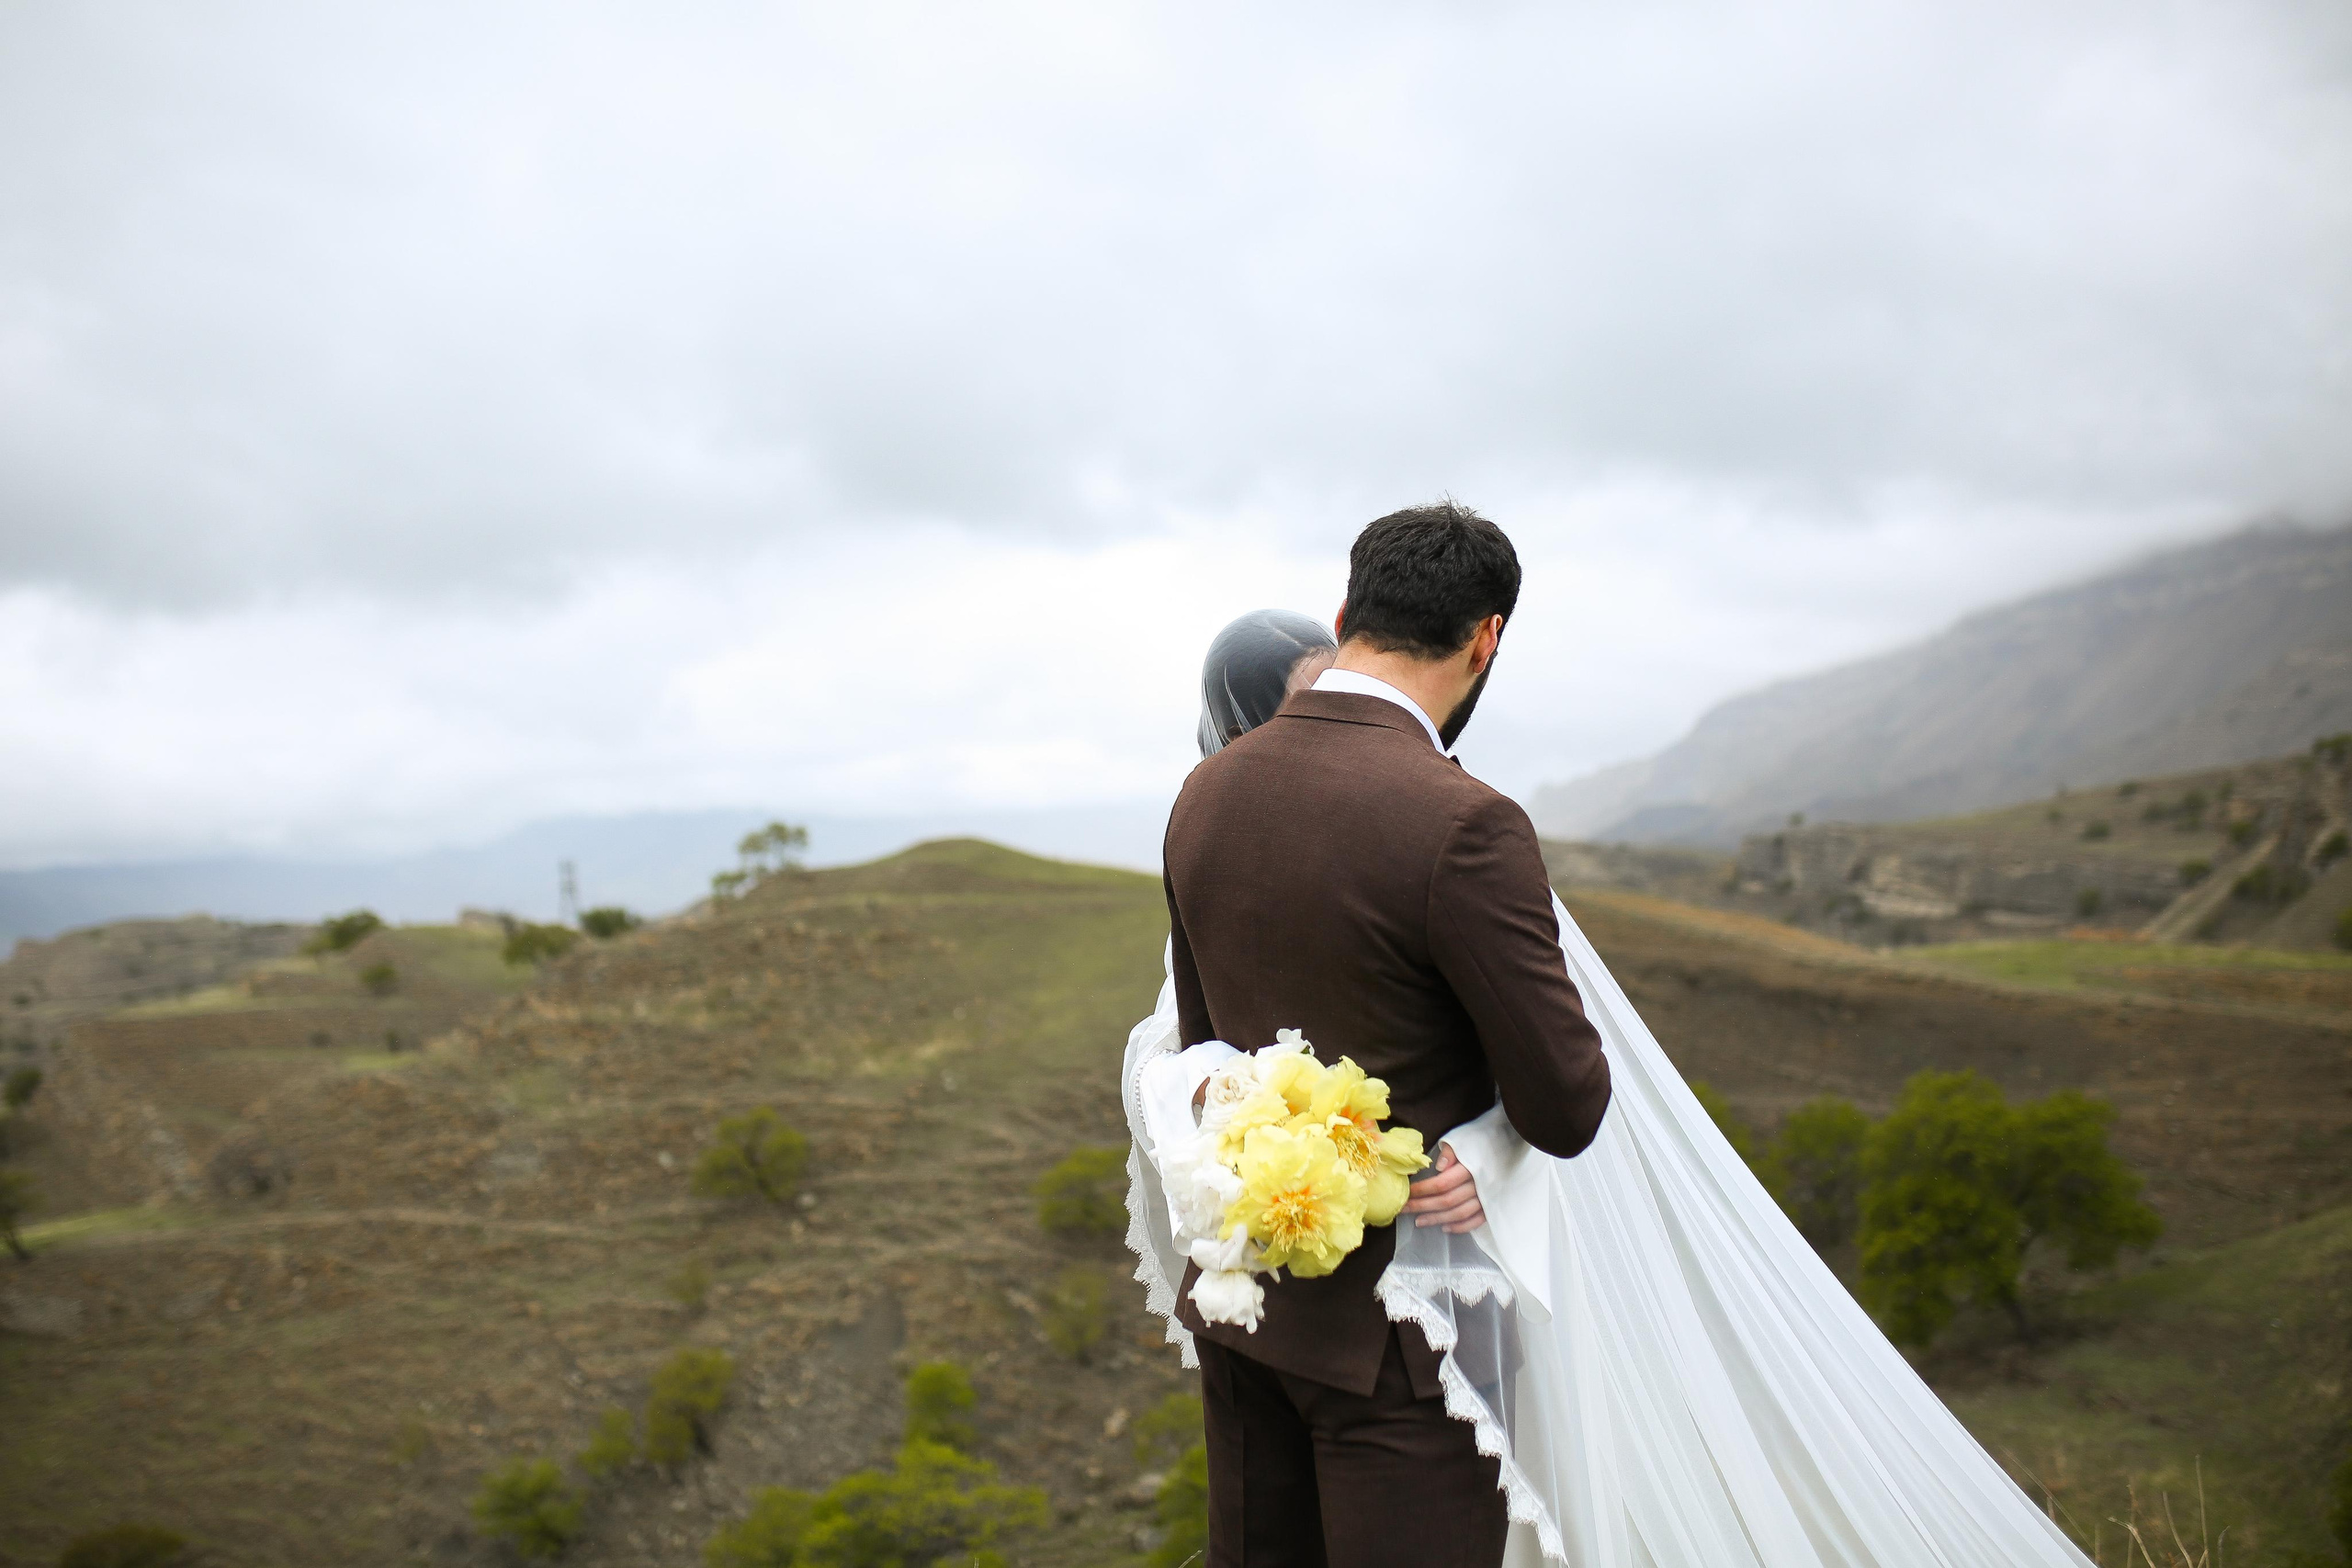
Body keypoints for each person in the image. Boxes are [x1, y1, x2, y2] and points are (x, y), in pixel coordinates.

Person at [1123, 504, 2100, 1568]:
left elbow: (1206, 1055)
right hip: (1408, 1335)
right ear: (1485, 638)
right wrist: (1477, 1149)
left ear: (1350, 607)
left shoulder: (1204, 795)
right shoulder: (1464, 822)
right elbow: (1564, 1103)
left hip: (1246, 1308)